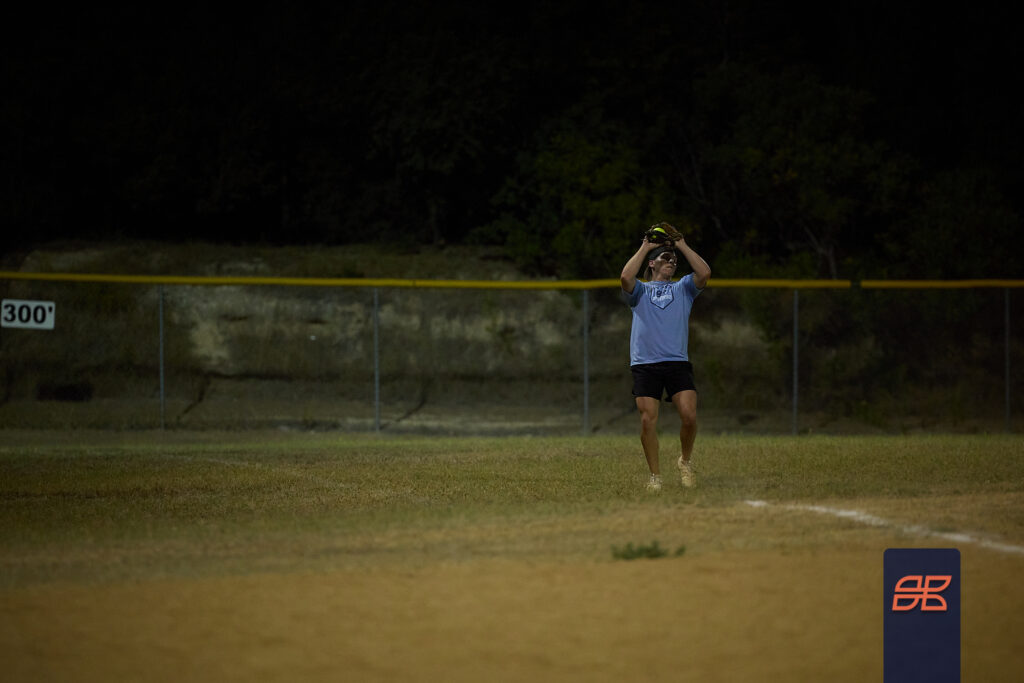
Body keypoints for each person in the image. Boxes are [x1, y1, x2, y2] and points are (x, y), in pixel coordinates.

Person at [619, 226, 711, 491]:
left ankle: (685, 461)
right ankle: (655, 477)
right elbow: (625, 277)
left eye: (674, 260)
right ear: (652, 263)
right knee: (647, 420)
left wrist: (681, 244)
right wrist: (646, 246)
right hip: (645, 363)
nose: (671, 262)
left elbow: (704, 273)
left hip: (676, 361)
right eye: (665, 258)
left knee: (689, 416)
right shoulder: (641, 290)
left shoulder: (683, 288)